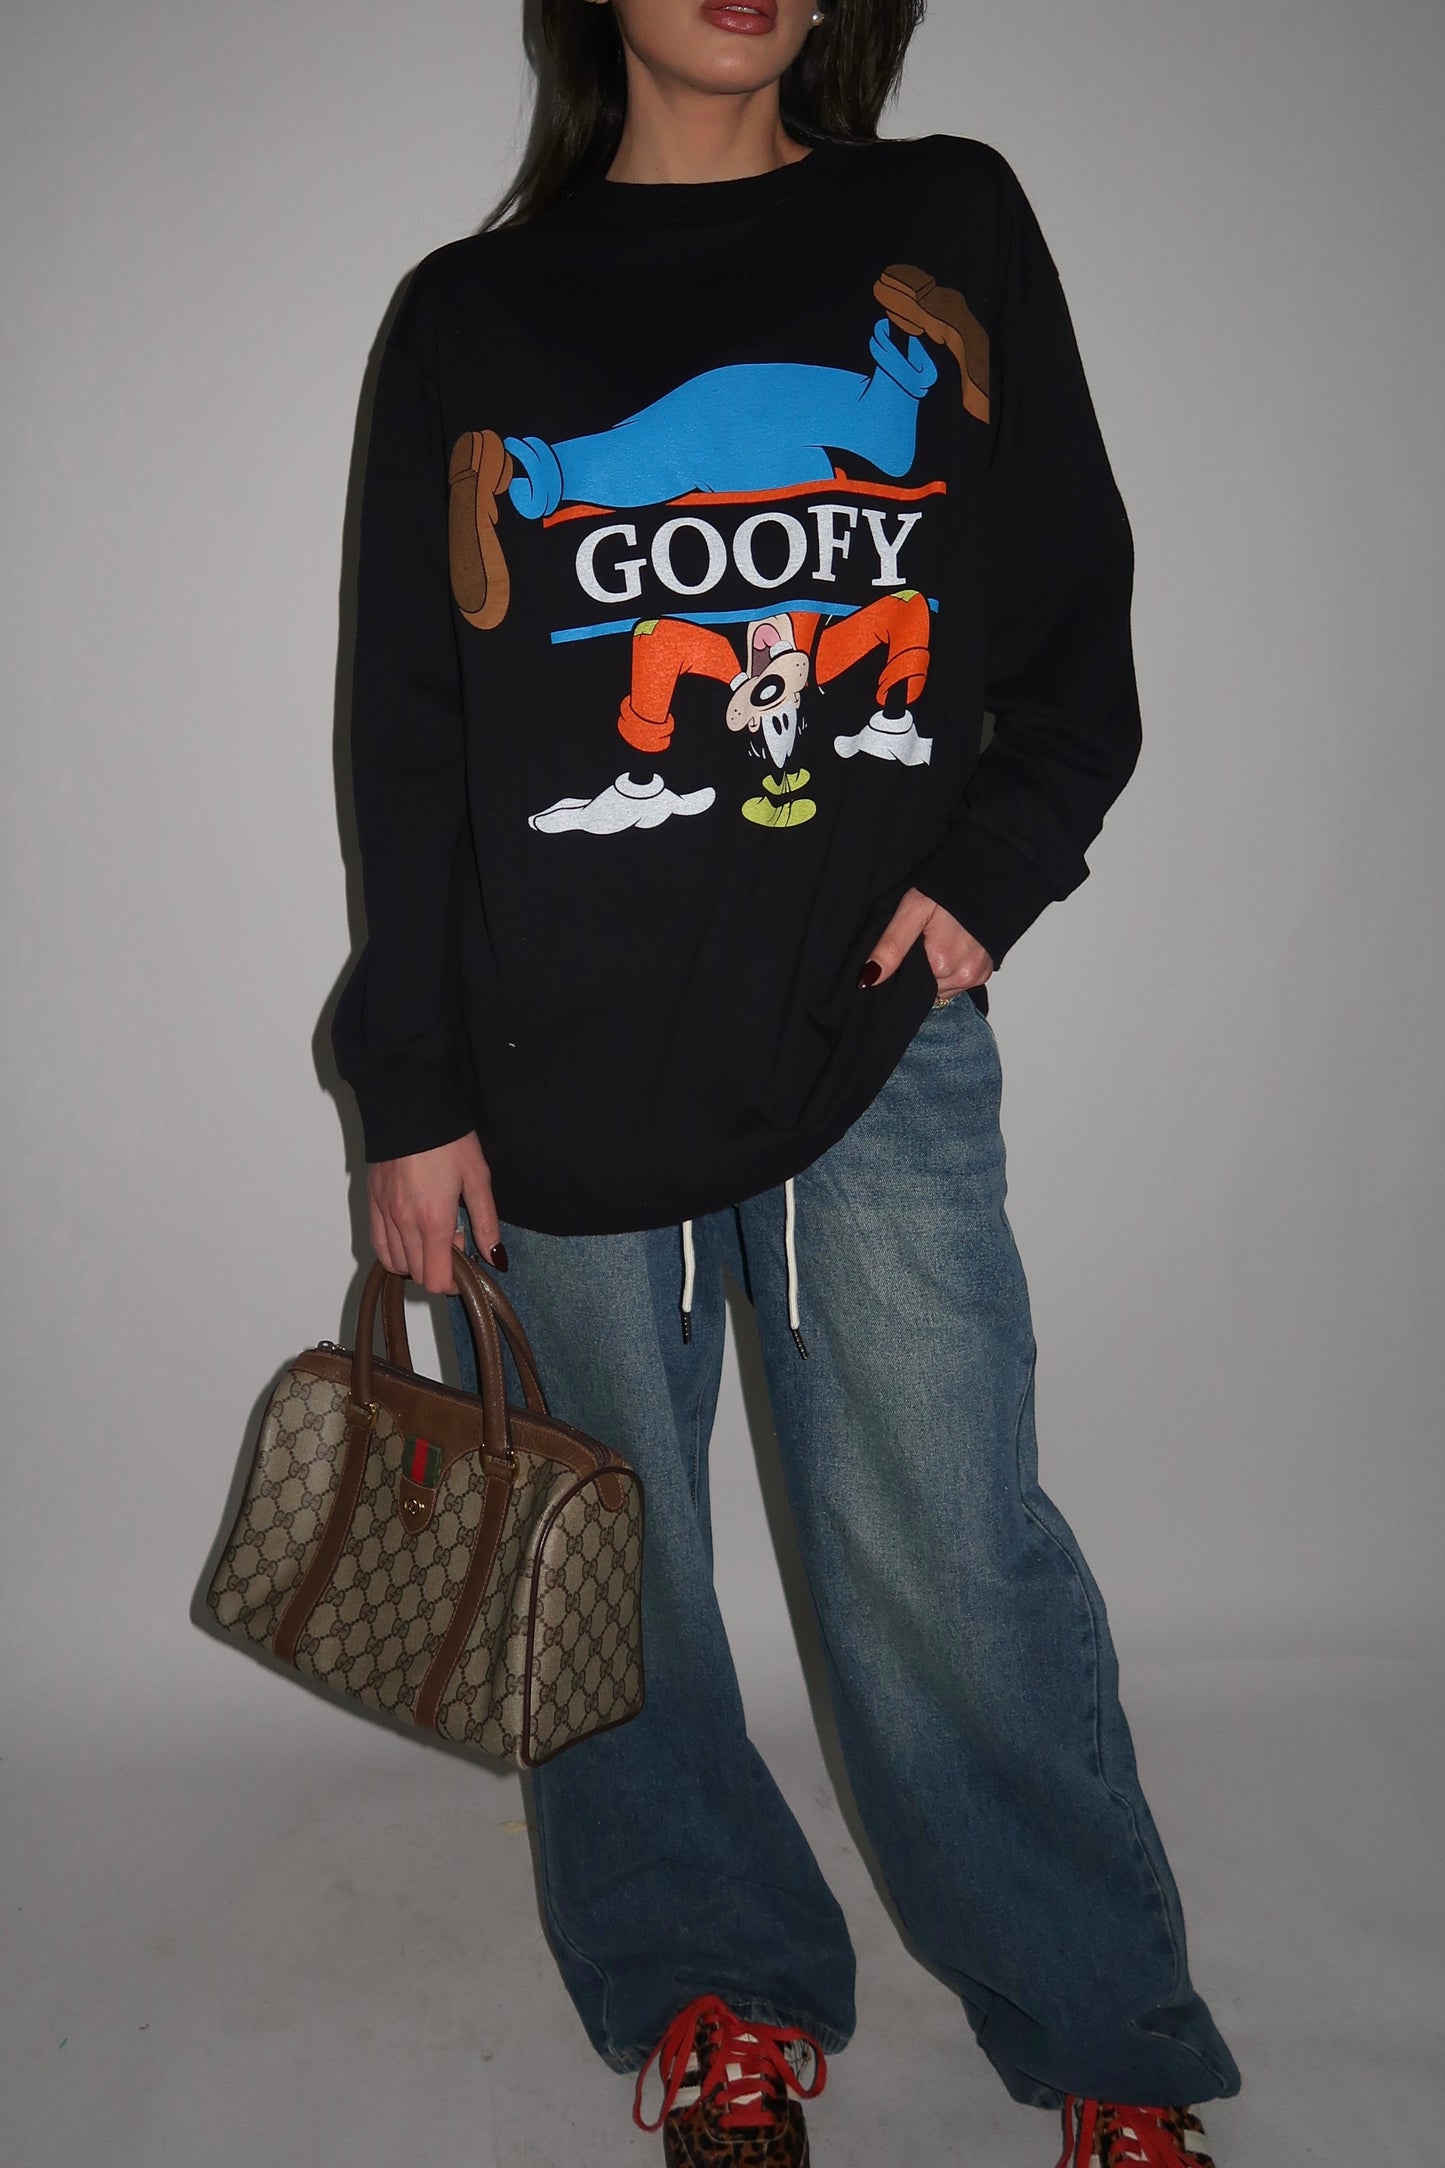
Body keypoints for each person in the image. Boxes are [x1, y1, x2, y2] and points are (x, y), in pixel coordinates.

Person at [330, 1, 1242, 2160]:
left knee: (951, 1564)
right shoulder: (473, 318)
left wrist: (990, 880)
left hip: (871, 1047)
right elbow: (412, 729)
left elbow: (1069, 618)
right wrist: (412, 1082)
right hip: (553, 1081)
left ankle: (1103, 2034)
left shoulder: (944, 223)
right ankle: (711, 1989)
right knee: (613, 1579)